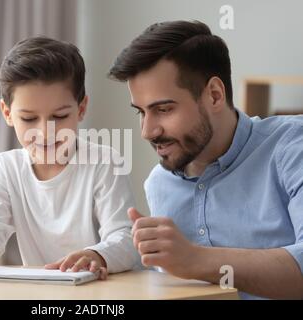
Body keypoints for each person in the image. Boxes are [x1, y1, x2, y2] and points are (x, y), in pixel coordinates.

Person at [109, 20, 303, 299]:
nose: (147, 131)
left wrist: (195, 259)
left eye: (163, 109)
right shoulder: (159, 183)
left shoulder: (292, 148)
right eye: (141, 112)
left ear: (214, 95)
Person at [0, 36, 139, 279]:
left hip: (104, 291)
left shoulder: (104, 163)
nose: (45, 132)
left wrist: (98, 255)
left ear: (81, 109)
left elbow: (125, 239)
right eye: (29, 119)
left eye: (60, 116)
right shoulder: (5, 169)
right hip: (43, 291)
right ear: (8, 113)